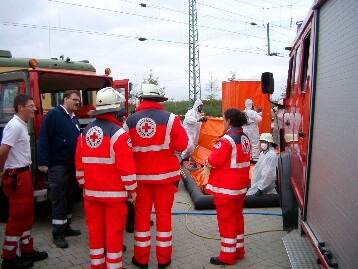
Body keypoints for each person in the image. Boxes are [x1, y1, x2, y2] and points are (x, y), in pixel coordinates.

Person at [123, 84, 188, 269]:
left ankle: (141, 260)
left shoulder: (130, 121)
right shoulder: (172, 119)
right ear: (160, 100)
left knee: (141, 219)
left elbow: (124, 150)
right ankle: (163, 260)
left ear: (142, 99)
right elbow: (182, 145)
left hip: (140, 180)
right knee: (164, 217)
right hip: (166, 179)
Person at [75, 87, 136, 269]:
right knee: (114, 233)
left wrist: (85, 185)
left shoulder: (84, 133)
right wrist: (132, 191)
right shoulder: (119, 135)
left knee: (95, 233)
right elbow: (126, 169)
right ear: (115, 110)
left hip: (91, 195)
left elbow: (79, 167)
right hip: (114, 197)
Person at [0, 94, 48, 269]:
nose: (34, 109)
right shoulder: (14, 126)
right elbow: (2, 151)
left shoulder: (20, 125)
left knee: (27, 216)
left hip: (23, 175)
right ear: (20, 107)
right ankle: (9, 258)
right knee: (17, 218)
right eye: (31, 106)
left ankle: (27, 250)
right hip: (17, 176)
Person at [203, 108, 251, 266]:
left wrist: (207, 162)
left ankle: (227, 256)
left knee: (226, 221)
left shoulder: (226, 140)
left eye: (223, 120)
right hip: (240, 186)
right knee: (237, 218)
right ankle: (238, 251)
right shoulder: (244, 137)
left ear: (229, 121)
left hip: (226, 189)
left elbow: (213, 160)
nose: (222, 122)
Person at [37, 90, 82, 248]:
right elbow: (43, 138)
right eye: (75, 100)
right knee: (59, 198)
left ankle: (66, 226)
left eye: (79, 100)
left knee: (71, 196)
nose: (77, 103)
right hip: (58, 165)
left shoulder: (73, 118)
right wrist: (42, 162)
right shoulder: (53, 115)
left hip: (72, 165)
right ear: (66, 99)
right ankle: (58, 233)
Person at [180, 99, 206, 163]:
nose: (201, 108)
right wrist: (198, 120)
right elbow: (188, 119)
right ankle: (182, 157)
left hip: (196, 132)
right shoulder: (191, 112)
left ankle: (192, 160)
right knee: (189, 146)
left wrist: (204, 119)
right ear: (197, 106)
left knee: (195, 147)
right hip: (189, 131)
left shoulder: (199, 114)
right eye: (200, 106)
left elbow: (200, 123)